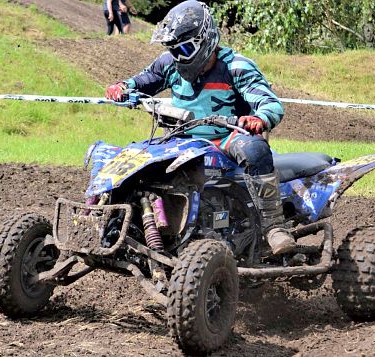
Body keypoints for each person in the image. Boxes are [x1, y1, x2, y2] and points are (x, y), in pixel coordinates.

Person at [104, 1, 295, 255]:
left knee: (254, 148)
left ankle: (273, 227)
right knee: (139, 160)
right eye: (173, 50)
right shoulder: (169, 63)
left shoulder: (236, 66)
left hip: (225, 138)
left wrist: (259, 118)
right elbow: (144, 81)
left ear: (205, 40)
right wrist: (123, 87)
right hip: (181, 138)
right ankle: (122, 222)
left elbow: (269, 102)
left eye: (184, 48)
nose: (178, 56)